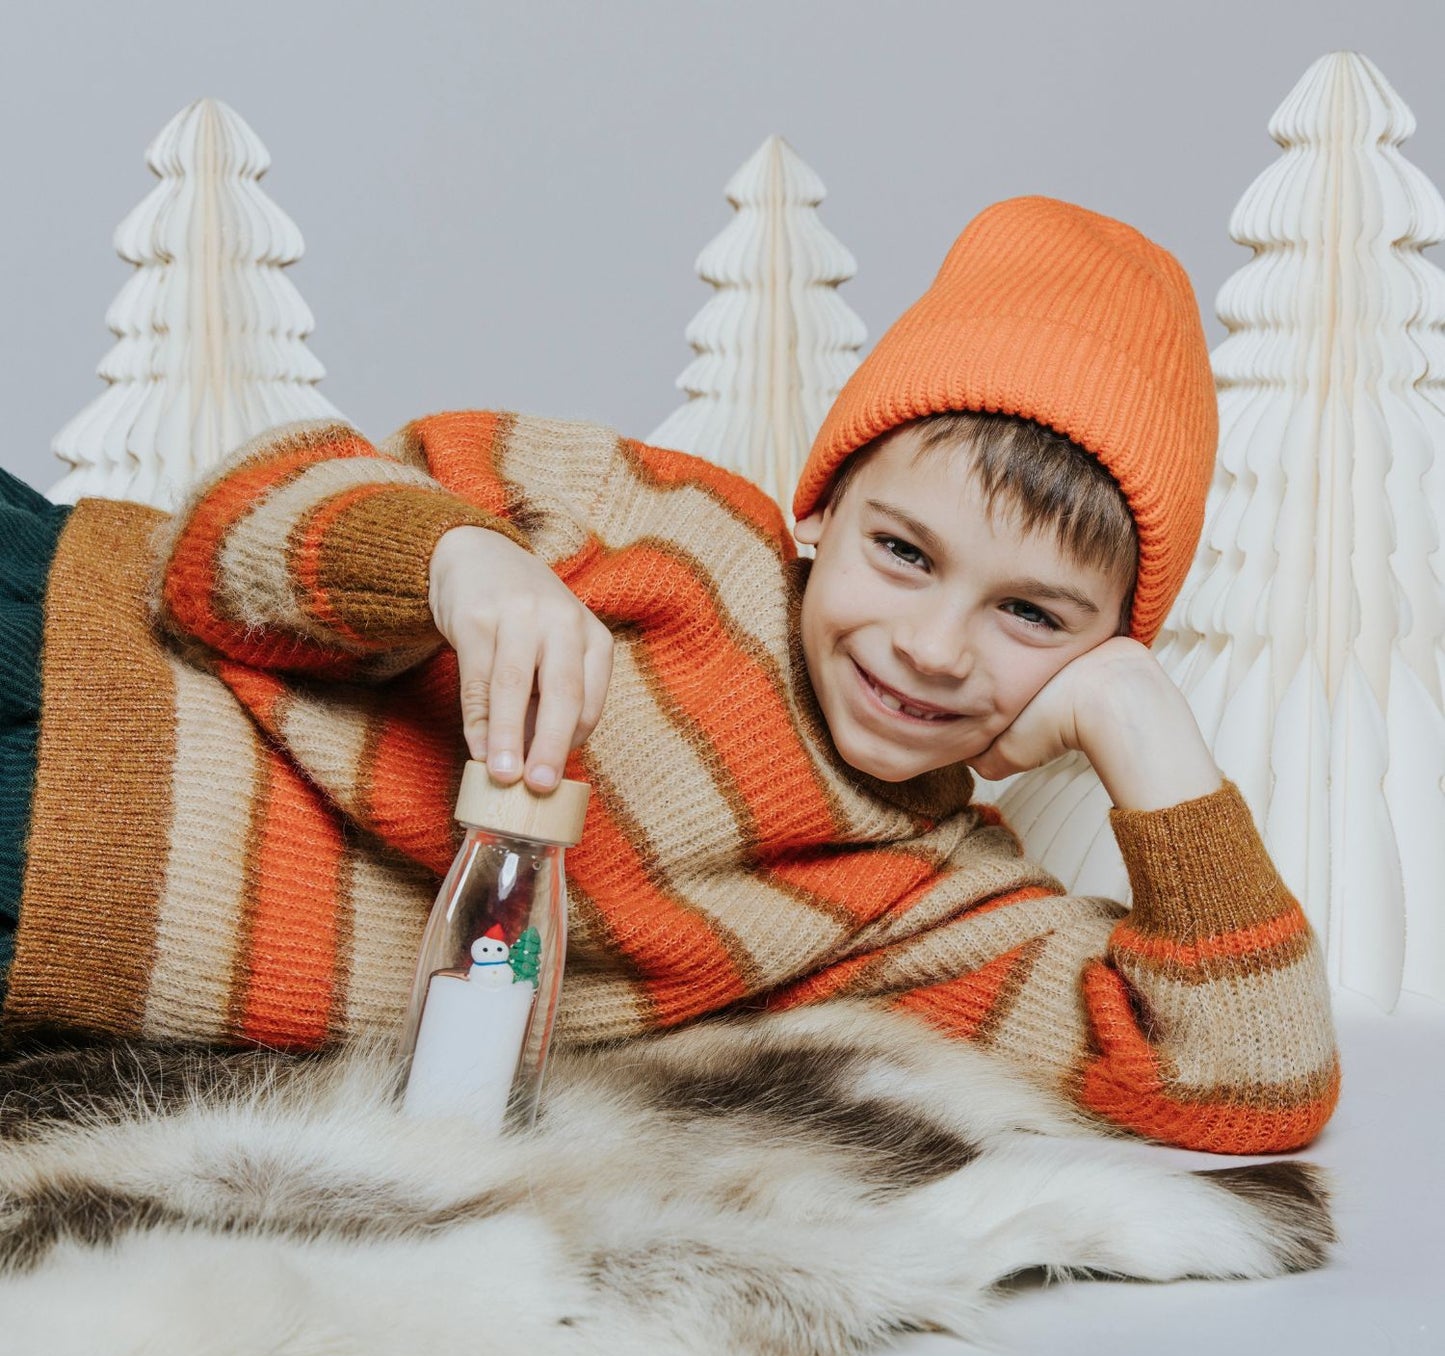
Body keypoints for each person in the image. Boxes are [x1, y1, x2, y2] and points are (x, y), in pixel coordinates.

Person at [0, 196, 1338, 1154]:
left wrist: (1143, 730)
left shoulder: (929, 909)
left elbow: (1253, 1080)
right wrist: (455, 563)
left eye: (1031, 615)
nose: (933, 646)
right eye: (899, 550)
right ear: (819, 511)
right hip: (63, 630)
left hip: (63, 892)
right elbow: (224, 537)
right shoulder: (650, 515)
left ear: (1105, 644)